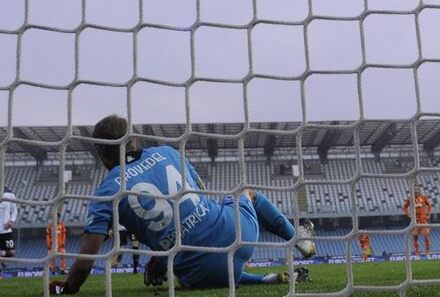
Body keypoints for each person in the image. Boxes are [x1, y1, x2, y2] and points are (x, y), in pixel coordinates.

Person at [48, 115, 313, 295]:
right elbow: (200, 194)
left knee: (195, 267)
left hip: (195, 269)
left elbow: (85, 261)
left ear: (100, 151)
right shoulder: (168, 152)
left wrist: (67, 288)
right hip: (237, 234)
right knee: (246, 192)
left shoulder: (106, 192)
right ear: (134, 141)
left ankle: (259, 276)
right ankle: (296, 239)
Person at [402, 183, 432, 257]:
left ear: (419, 190)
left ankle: (427, 253)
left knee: (426, 236)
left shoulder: (423, 197)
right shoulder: (410, 199)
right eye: (414, 190)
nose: (416, 191)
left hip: (423, 220)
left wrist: (428, 213)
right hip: (415, 221)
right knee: (415, 237)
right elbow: (405, 207)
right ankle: (417, 254)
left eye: (417, 190)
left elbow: (429, 205)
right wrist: (408, 214)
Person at [0, 186, 18, 268]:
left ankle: (3, 255)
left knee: (12, 252)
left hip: (6, 230)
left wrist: (11, 220)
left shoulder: (9, 194)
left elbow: (14, 210)